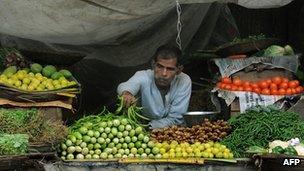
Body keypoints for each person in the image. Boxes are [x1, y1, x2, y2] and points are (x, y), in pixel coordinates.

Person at [117, 44, 192, 129]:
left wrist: (146, 127)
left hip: (172, 133)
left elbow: (176, 119)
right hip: (141, 131)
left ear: (179, 70)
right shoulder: (144, 76)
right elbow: (126, 85)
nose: (164, 74)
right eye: (160, 66)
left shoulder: (183, 80)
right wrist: (127, 93)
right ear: (153, 64)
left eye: (170, 69)